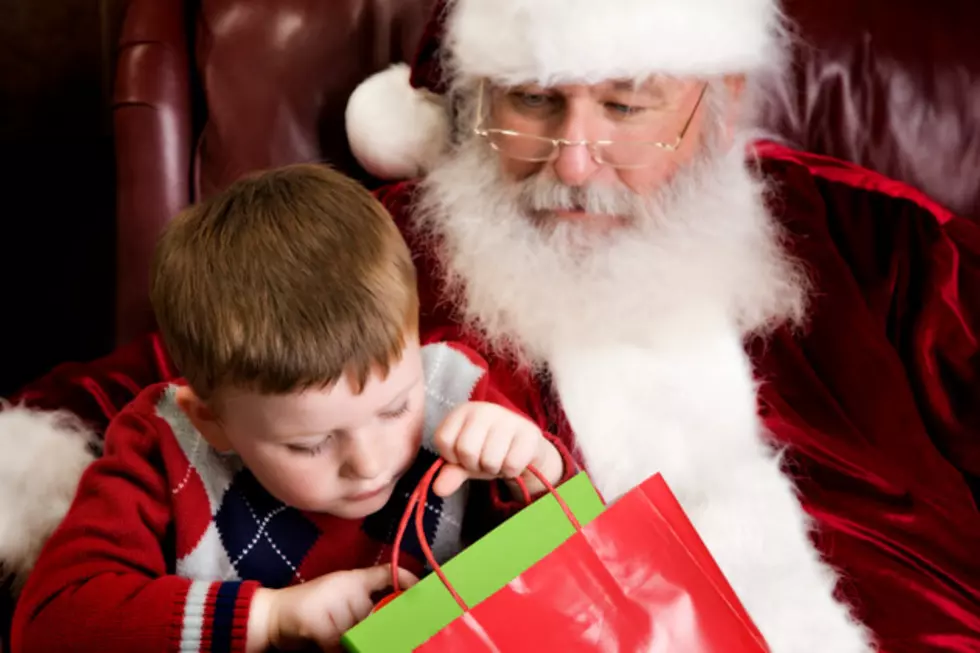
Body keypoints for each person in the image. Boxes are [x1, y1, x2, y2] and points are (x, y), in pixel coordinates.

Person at [1, 0, 978, 651]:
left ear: (714, 105)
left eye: (626, 105)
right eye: (532, 103)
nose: (575, 159)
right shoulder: (389, 250)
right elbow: (167, 384)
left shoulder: (856, 232)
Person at [6, 163, 572, 653]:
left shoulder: (456, 387)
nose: (370, 464)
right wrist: (271, 617)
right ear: (211, 418)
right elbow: (49, 625)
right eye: (310, 444)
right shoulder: (164, 450)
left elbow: (582, 567)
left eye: (396, 408)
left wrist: (536, 468)